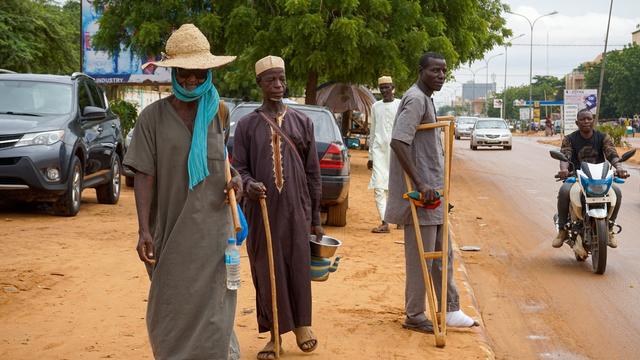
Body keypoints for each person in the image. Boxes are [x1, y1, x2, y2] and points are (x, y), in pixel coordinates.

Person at [123, 24, 242, 359]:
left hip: (214, 235)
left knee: (216, 312)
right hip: (169, 231)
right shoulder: (152, 118)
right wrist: (144, 229)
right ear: (173, 73)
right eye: (184, 74)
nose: (191, 82)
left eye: (199, 74)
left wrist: (237, 182)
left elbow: (224, 164)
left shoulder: (219, 112)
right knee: (170, 311)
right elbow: (144, 175)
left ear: (208, 73)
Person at [232, 55, 323, 360]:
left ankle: (302, 326)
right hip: (263, 211)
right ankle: (274, 336)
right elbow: (239, 169)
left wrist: (316, 219)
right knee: (266, 270)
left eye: (281, 79)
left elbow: (313, 173)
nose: (278, 85)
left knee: (298, 267)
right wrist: (248, 184)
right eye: (271, 80)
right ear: (259, 83)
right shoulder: (246, 125)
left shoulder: (303, 122)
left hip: (297, 209)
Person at [385, 52, 477, 333]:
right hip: (422, 196)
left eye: (444, 71)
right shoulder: (415, 99)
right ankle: (414, 314)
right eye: (435, 70)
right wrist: (421, 184)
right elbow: (399, 142)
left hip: (435, 194)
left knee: (442, 254)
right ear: (420, 70)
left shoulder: (427, 99)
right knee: (421, 257)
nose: (440, 75)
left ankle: (449, 308)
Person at [553, 108, 630, 251]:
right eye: (582, 119)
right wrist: (564, 170)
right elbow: (565, 156)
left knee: (617, 192)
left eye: (589, 118)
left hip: (600, 177)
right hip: (577, 177)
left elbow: (611, 153)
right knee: (564, 191)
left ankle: (610, 228)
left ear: (593, 121)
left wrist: (619, 167)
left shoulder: (603, 137)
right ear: (577, 122)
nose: (586, 121)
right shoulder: (569, 139)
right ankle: (563, 230)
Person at [368, 76, 401, 233]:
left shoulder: (400, 104)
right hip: (379, 151)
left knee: (396, 187)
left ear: (393, 87)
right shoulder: (375, 106)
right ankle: (385, 222)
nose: (384, 90)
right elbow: (373, 131)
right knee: (379, 187)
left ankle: (400, 219)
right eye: (382, 88)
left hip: (397, 151)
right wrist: (370, 157)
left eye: (387, 87)